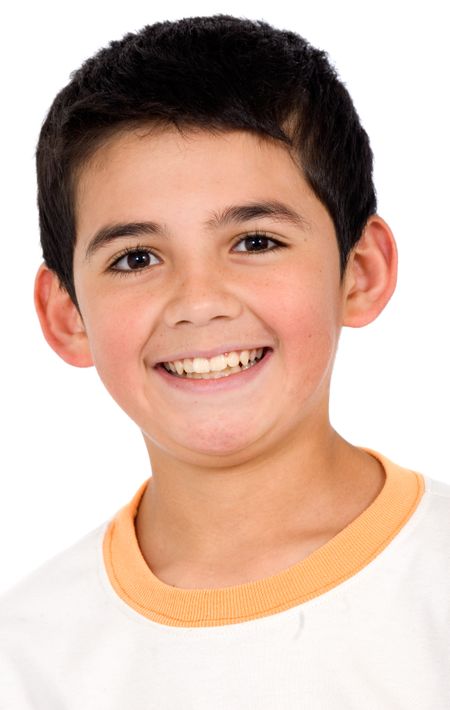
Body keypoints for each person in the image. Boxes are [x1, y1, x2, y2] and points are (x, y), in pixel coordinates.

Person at [1, 13, 449, 709]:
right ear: (67, 316)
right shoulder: (25, 658)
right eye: (136, 258)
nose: (198, 302)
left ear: (360, 270)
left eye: (256, 241)